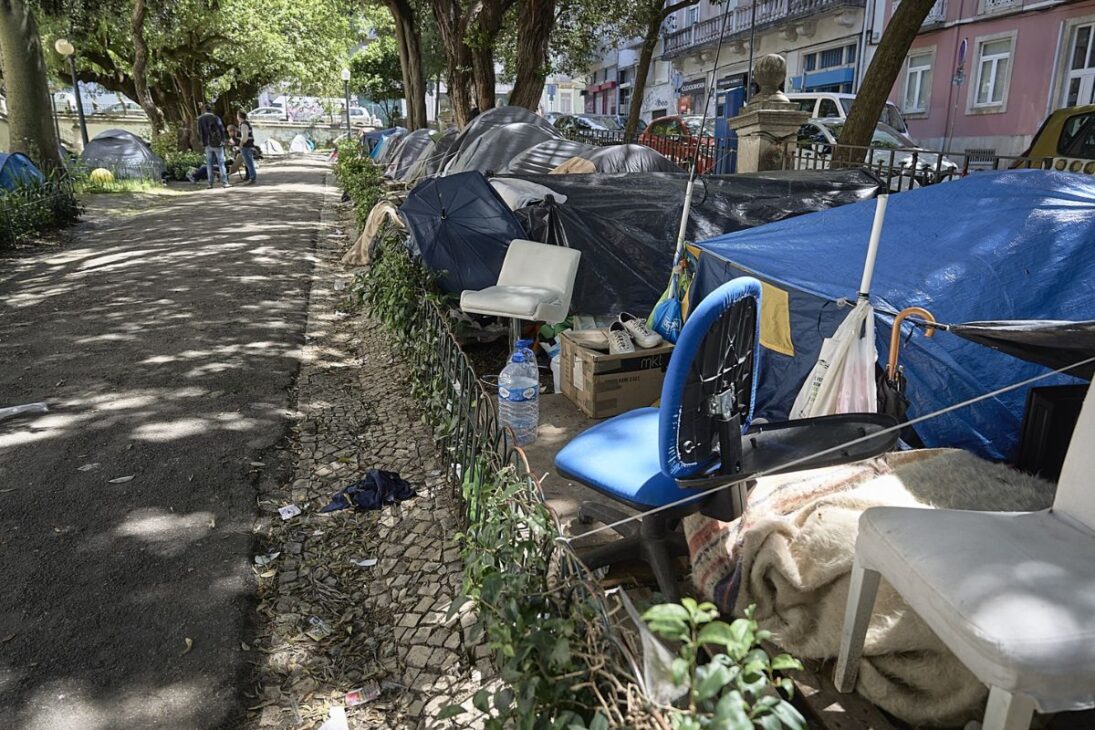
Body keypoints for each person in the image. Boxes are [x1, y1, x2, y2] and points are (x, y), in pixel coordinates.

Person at [197, 102, 230, 189]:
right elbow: (221, 129)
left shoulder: (200, 119)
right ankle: (225, 182)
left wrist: (202, 142)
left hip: (207, 144)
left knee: (209, 164)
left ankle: (210, 183)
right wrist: (223, 140)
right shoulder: (215, 118)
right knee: (221, 163)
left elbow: (199, 132)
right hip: (217, 143)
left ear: (204, 110)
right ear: (211, 109)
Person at [237, 110, 257, 184]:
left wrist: (241, 144)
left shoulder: (243, 125)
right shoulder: (246, 123)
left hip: (246, 146)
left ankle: (252, 177)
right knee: (248, 162)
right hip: (248, 145)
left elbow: (244, 137)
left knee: (249, 162)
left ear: (239, 116)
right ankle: (250, 176)